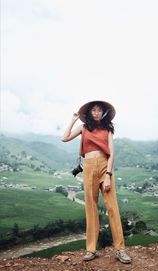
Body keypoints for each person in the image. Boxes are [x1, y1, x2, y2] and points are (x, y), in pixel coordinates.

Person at [62, 100, 132, 264]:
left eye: (100, 110)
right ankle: (91, 249)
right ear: (89, 113)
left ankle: (120, 250)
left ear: (104, 113)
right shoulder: (83, 128)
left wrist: (108, 175)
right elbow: (64, 138)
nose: (97, 112)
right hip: (89, 168)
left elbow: (112, 153)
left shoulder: (108, 129)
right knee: (91, 208)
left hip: (104, 167)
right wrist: (73, 120)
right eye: (94, 110)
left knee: (112, 207)